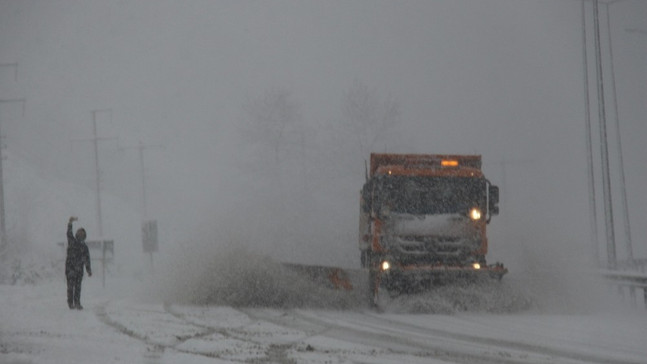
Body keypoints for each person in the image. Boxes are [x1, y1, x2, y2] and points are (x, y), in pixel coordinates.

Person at [65, 216, 92, 310]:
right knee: (71, 287)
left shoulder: (84, 247)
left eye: (82, 233)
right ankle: (71, 303)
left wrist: (88, 270)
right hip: (71, 269)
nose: (80, 234)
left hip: (77, 270)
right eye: (79, 233)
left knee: (77, 287)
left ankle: (76, 303)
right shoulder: (73, 241)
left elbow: (87, 259)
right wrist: (70, 223)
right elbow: (69, 233)